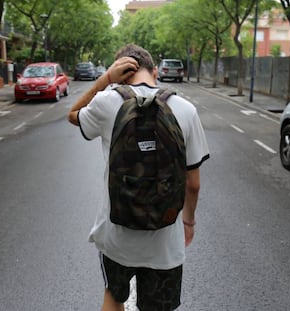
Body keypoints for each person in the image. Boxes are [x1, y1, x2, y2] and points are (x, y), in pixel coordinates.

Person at [68, 44, 209, 311]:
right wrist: (188, 222)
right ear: (155, 71)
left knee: (113, 297)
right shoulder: (186, 109)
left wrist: (105, 81)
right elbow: (193, 183)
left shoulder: (107, 102)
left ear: (120, 71)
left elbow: (72, 114)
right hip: (165, 241)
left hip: (116, 235)